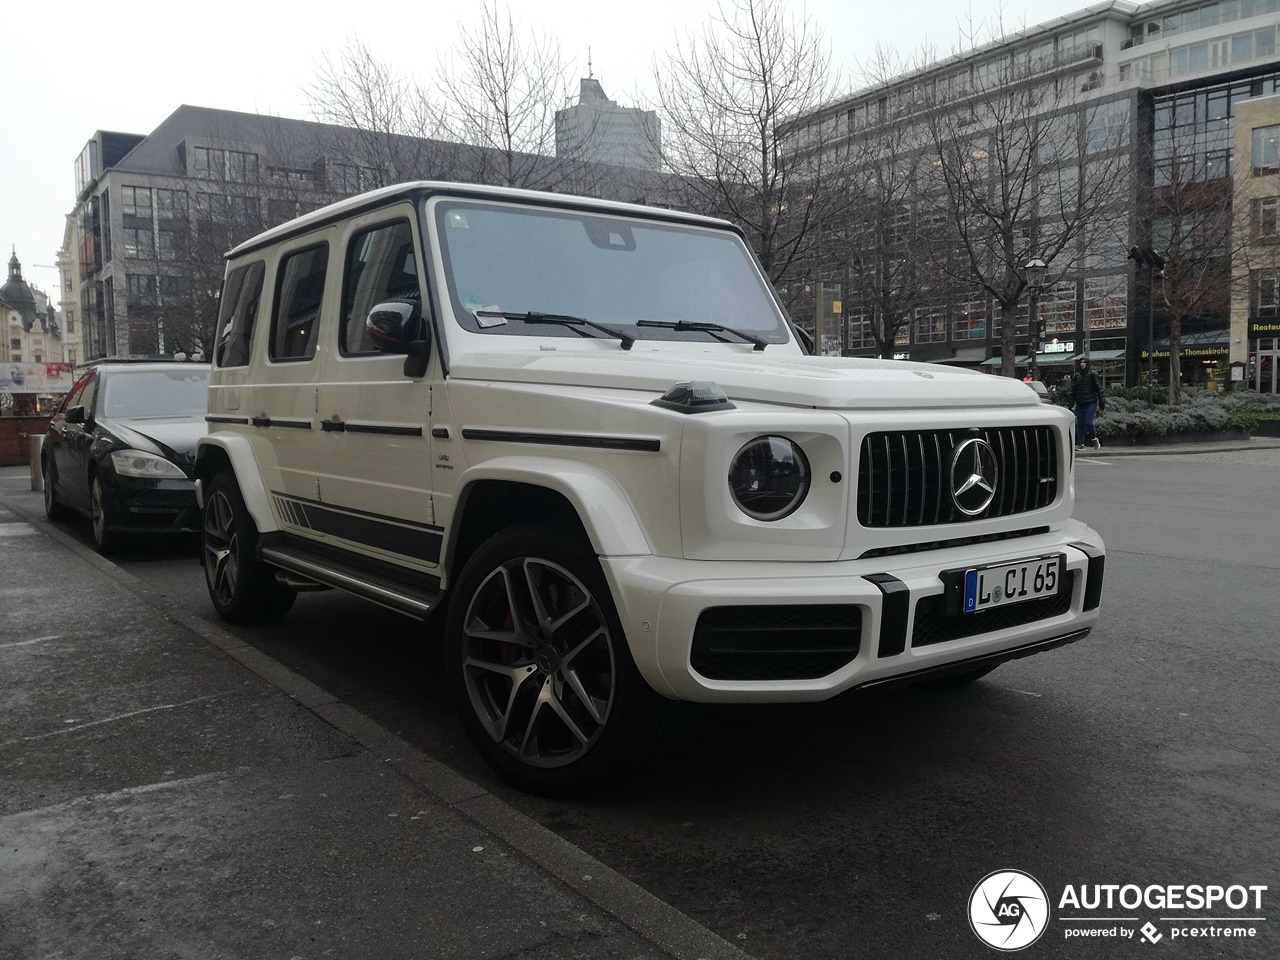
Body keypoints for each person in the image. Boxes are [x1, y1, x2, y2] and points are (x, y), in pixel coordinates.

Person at [1069, 357, 1105, 450]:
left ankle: (1094, 439)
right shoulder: (1077, 376)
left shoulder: (1093, 374)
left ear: (1087, 364)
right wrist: (1070, 403)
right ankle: (1081, 444)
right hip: (1080, 403)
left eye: (1084, 362)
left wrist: (1102, 402)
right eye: (1081, 362)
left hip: (1090, 402)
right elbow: (1073, 391)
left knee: (1088, 423)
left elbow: (1099, 389)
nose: (1082, 364)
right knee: (1080, 424)